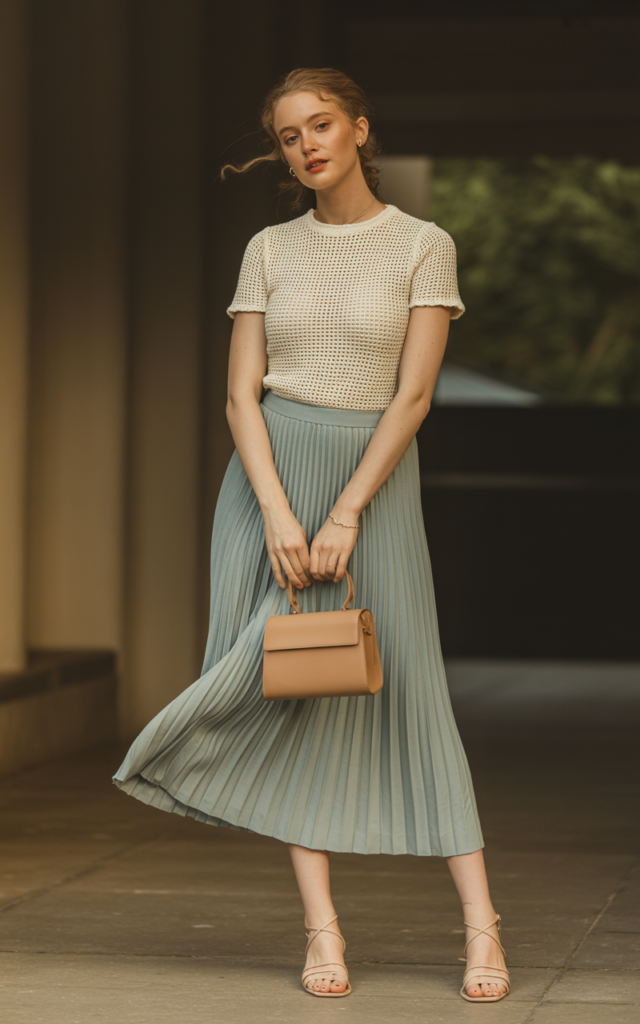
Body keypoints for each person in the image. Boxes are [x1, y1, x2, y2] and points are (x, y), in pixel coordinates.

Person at [113, 67, 509, 1004]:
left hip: (373, 483)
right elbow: (238, 395)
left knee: (408, 689)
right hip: (268, 488)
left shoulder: (423, 244)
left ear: (360, 129)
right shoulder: (268, 249)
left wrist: (344, 511)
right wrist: (284, 514)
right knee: (291, 688)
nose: (308, 145)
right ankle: (323, 931)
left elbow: (413, 397)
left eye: (321, 125)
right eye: (290, 136)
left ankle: (483, 929)